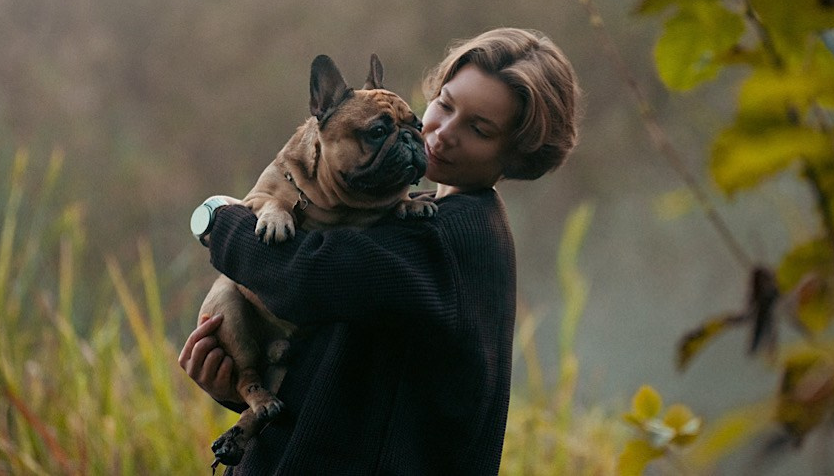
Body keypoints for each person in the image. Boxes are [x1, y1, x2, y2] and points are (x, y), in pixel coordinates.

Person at [179, 27, 581, 476]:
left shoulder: (454, 240)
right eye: (444, 105)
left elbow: (303, 276)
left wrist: (217, 217)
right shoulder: (415, 217)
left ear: (517, 155)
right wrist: (237, 387)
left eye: (478, 129)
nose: (442, 133)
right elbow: (346, 391)